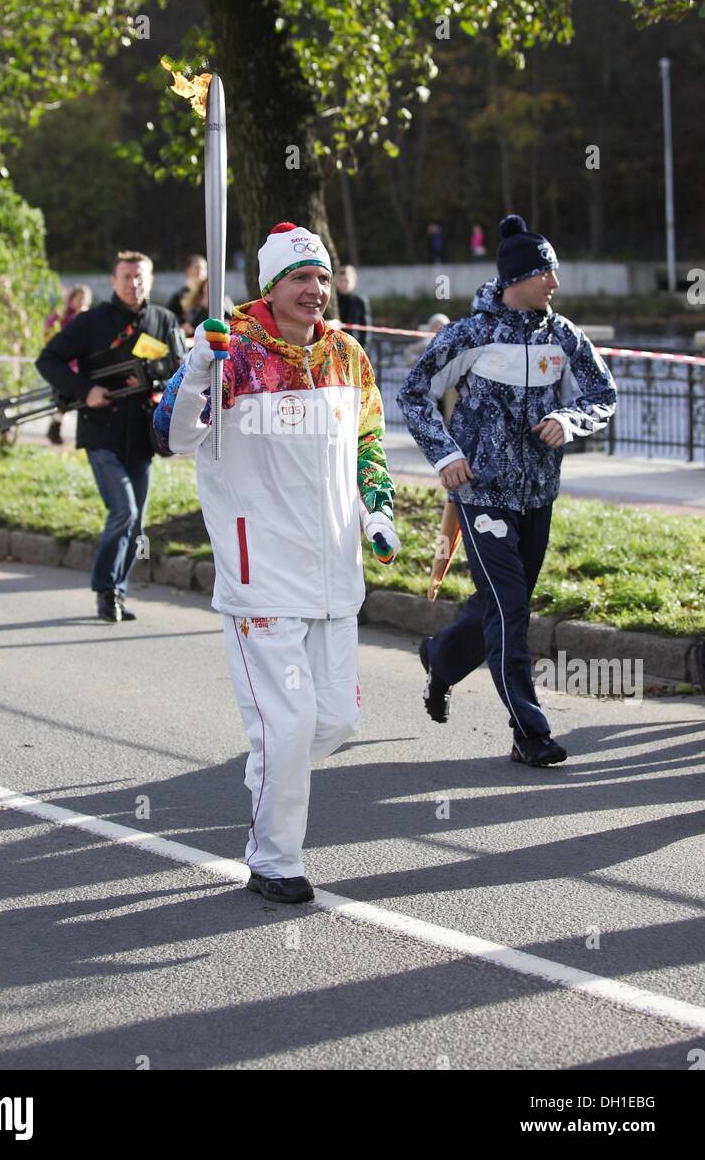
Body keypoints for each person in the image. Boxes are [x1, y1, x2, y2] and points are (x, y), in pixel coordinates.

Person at [153, 222, 399, 904]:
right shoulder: (231, 353)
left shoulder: (347, 355)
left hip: (334, 574)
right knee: (287, 726)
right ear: (270, 286)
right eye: (301, 278)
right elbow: (173, 436)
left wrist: (376, 510)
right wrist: (196, 366)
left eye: (322, 277)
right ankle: (273, 858)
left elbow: (369, 440)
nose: (315, 290)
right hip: (260, 573)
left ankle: (272, 768)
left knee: (335, 724)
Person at [398, 213, 617, 769]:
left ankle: (442, 658)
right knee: (511, 607)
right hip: (482, 494)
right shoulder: (472, 335)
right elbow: (414, 393)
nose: (555, 283)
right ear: (517, 276)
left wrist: (568, 421)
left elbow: (604, 392)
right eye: (548, 272)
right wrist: (446, 456)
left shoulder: (563, 336)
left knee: (496, 605)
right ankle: (529, 732)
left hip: (538, 493)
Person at [36, 252, 183, 622]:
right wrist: (86, 391)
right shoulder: (91, 322)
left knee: (136, 524)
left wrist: (158, 381)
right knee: (123, 510)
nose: (134, 283)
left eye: (141, 276)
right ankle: (104, 589)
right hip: (101, 431)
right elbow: (48, 359)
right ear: (113, 281)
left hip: (142, 434)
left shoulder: (163, 320)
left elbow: (181, 370)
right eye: (127, 276)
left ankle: (118, 591)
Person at [43, 285, 94, 444]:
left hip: (83, 367)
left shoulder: (91, 317)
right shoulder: (62, 317)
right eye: (79, 297)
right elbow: (49, 332)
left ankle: (82, 435)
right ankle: (54, 429)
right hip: (65, 367)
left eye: (85, 298)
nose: (82, 301)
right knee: (63, 401)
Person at [335, 264, 371, 348]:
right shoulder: (332, 302)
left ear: (353, 281)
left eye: (346, 281)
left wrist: (362, 350)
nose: (343, 284)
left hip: (354, 346)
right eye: (340, 281)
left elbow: (366, 330)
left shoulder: (360, 301)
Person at [167, 254, 208, 328]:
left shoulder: (209, 293)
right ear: (188, 270)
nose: (201, 271)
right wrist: (181, 325)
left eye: (204, 268)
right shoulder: (180, 295)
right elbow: (168, 316)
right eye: (197, 268)